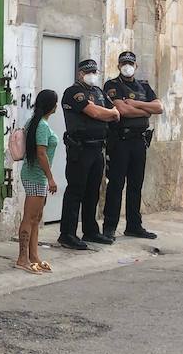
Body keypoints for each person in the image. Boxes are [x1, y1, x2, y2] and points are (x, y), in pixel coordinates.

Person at [58, 58, 120, 250]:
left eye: (94, 71)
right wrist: (107, 113)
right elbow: (95, 113)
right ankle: (67, 234)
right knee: (76, 191)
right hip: (80, 148)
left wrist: (108, 113)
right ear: (80, 74)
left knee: (93, 191)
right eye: (88, 72)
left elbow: (116, 111)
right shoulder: (73, 92)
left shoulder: (98, 92)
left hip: (97, 148)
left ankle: (90, 230)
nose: (92, 75)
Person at [103, 50, 161, 240]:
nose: (127, 67)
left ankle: (134, 226)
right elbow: (122, 110)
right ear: (119, 66)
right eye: (123, 63)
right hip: (120, 141)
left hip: (139, 141)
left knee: (136, 185)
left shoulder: (143, 85)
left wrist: (135, 106)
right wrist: (145, 109)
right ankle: (109, 227)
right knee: (116, 185)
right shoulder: (112, 85)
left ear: (136, 66)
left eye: (131, 63)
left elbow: (159, 107)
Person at [16, 90, 60, 274]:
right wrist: (50, 178)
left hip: (36, 175)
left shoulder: (36, 123)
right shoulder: (41, 126)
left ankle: (33, 255)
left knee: (36, 218)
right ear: (51, 106)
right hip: (36, 175)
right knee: (30, 217)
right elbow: (41, 153)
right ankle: (22, 258)